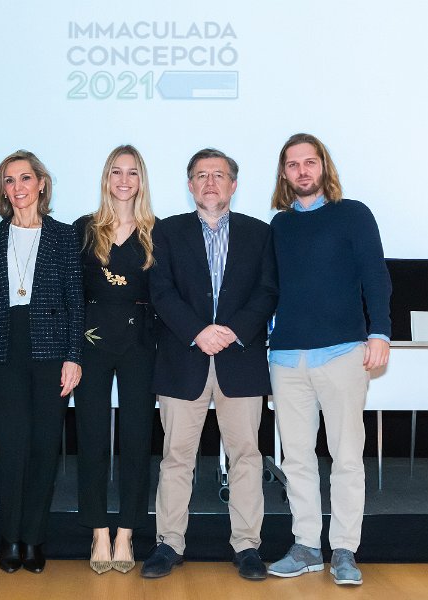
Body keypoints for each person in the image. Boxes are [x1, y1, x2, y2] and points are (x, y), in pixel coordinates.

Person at [142, 148, 277, 580]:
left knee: (246, 456)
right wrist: (198, 331)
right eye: (201, 175)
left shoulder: (259, 233)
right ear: (190, 185)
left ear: (233, 185)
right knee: (176, 457)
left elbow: (267, 291)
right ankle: (169, 543)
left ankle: (247, 545)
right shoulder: (166, 231)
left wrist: (232, 331)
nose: (210, 182)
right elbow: (161, 291)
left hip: (241, 359)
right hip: (184, 358)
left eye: (219, 175)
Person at [266, 133, 391, 586]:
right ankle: (305, 547)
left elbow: (375, 275)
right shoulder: (279, 226)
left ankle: (343, 551)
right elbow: (271, 290)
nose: (302, 171)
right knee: (297, 459)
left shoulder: (353, 214)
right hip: (286, 359)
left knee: (346, 457)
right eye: (293, 164)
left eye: (310, 162)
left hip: (343, 354)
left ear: (323, 166)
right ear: (284, 173)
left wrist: (380, 331)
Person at [0, 149, 84, 574]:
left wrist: (74, 356)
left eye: (25, 178)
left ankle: (34, 538)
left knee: (44, 447)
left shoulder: (64, 236)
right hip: (5, 350)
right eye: (9, 180)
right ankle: (10, 537)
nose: (17, 187)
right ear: (2, 189)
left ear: (41, 183)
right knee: (12, 447)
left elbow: (76, 302)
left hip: (51, 352)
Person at [73, 145, 157, 575]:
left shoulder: (156, 232)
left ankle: (126, 531)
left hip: (140, 343)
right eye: (116, 172)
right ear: (106, 178)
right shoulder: (84, 229)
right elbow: (71, 292)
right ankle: (98, 531)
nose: (124, 180)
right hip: (91, 341)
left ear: (142, 180)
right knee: (90, 435)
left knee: (137, 436)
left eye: (132, 173)